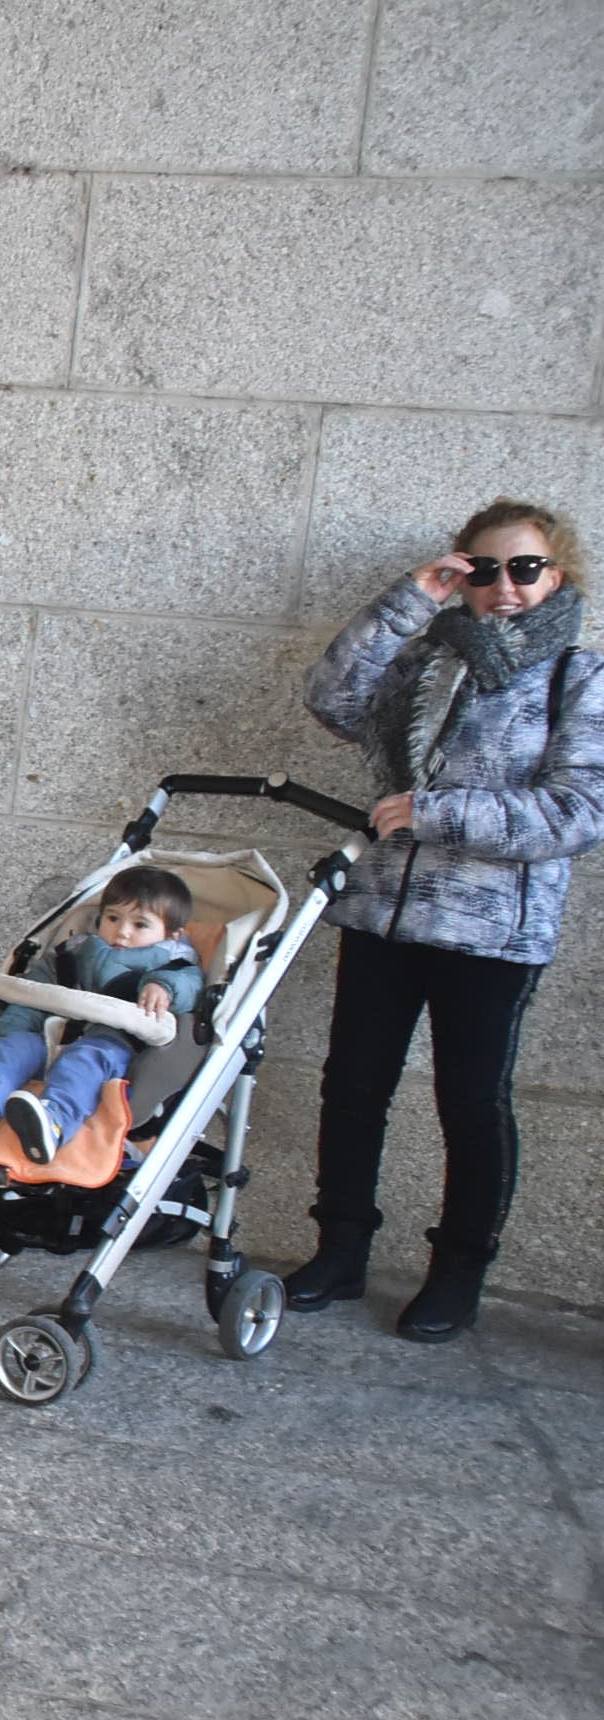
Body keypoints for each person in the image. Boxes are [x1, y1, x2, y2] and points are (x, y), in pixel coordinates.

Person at [287, 498, 600, 1341]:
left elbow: (575, 813)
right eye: (486, 570)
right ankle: (341, 1250)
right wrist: (410, 600)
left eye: (525, 569)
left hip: (493, 933)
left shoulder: (579, 678)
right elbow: (330, 699)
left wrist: (439, 812)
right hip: (384, 912)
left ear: (557, 575)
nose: (506, 588)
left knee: (470, 1100)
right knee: (353, 1087)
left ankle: (459, 1271)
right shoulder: (425, 664)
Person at [0, 865, 207, 1165]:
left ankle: (53, 1122)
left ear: (172, 934)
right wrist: (14, 1029)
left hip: (110, 1047)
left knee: (82, 1064)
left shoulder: (173, 966)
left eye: (140, 924)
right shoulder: (75, 950)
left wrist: (164, 987)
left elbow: (190, 987)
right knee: (13, 1045)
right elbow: (36, 991)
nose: (122, 931)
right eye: (113, 918)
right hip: (52, 1033)